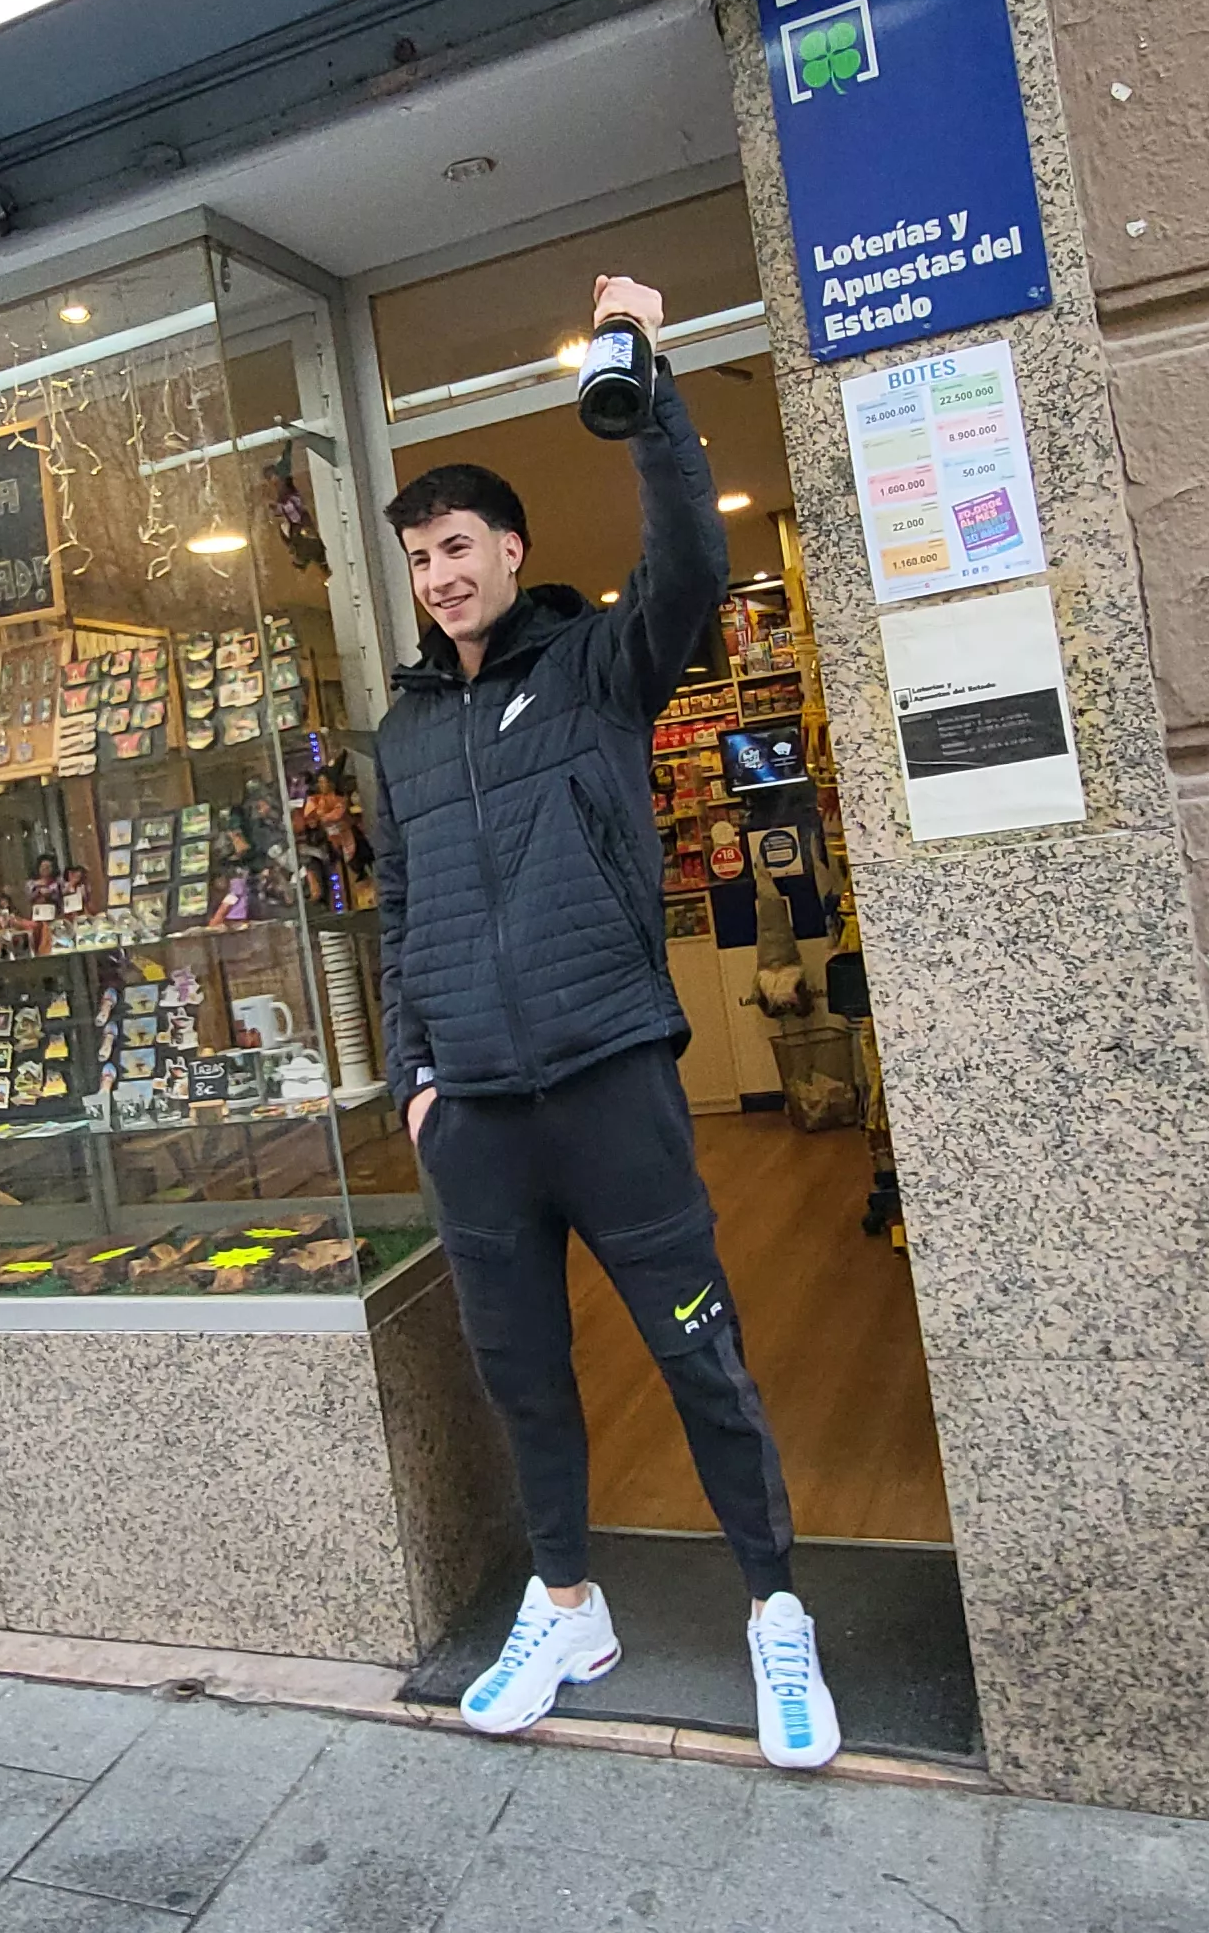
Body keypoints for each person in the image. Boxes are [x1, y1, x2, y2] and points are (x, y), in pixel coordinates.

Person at [375, 274, 839, 1770]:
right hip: (481, 1116)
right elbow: (395, 919)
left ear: (510, 549)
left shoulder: (595, 672)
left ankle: (777, 1611)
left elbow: (693, 561)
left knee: (700, 1350)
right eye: (422, 560)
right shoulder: (402, 730)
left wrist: (652, 376)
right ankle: (566, 1599)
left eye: (459, 549)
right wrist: (414, 1082)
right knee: (524, 1379)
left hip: (609, 1080)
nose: (442, 577)